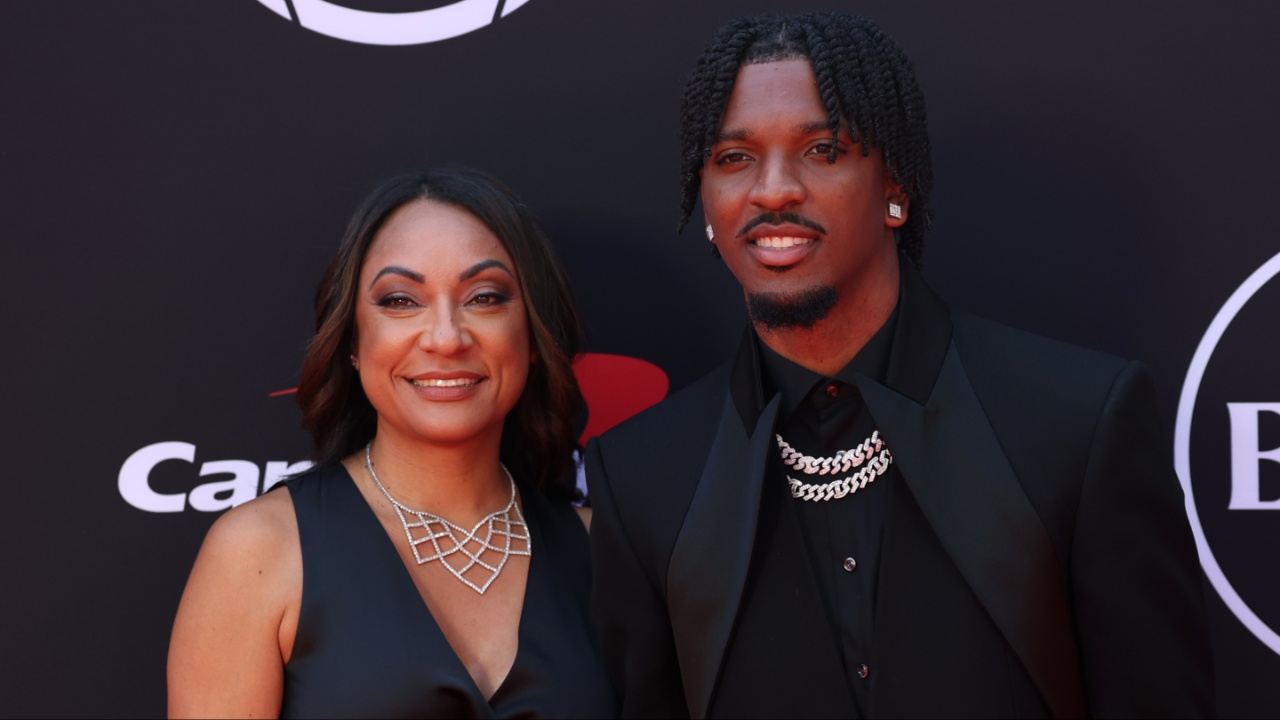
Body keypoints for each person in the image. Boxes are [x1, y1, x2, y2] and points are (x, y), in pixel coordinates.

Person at [587, 12, 1213, 719]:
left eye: (822, 149)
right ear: (706, 201)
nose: (771, 191)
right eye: (734, 159)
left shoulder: (1077, 424)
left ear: (897, 187)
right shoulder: (641, 476)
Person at [169, 168, 617, 718]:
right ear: (353, 341)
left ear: (531, 335)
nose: (447, 337)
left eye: (484, 296)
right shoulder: (261, 551)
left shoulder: (603, 554)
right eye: (402, 301)